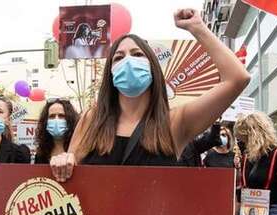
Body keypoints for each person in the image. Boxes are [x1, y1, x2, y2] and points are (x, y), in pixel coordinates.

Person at [50, 8, 249, 175]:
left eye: (137, 54)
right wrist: (64, 160)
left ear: (153, 67)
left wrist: (197, 28)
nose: (128, 61)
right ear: (110, 72)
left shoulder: (176, 121)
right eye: (118, 58)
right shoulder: (92, 119)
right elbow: (71, 170)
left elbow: (237, 78)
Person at [34, 98, 79, 164]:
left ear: (70, 119)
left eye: (61, 116)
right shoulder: (41, 154)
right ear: (45, 121)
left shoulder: (79, 150)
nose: (56, 119)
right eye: (52, 116)